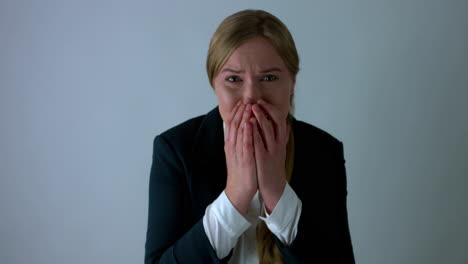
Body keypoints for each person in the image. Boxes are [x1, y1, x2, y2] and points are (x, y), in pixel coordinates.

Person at [144, 9, 355, 264]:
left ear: (293, 81)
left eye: (269, 77)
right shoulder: (176, 149)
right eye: (233, 79)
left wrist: (276, 192)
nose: (251, 96)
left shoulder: (323, 151)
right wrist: (235, 195)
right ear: (214, 83)